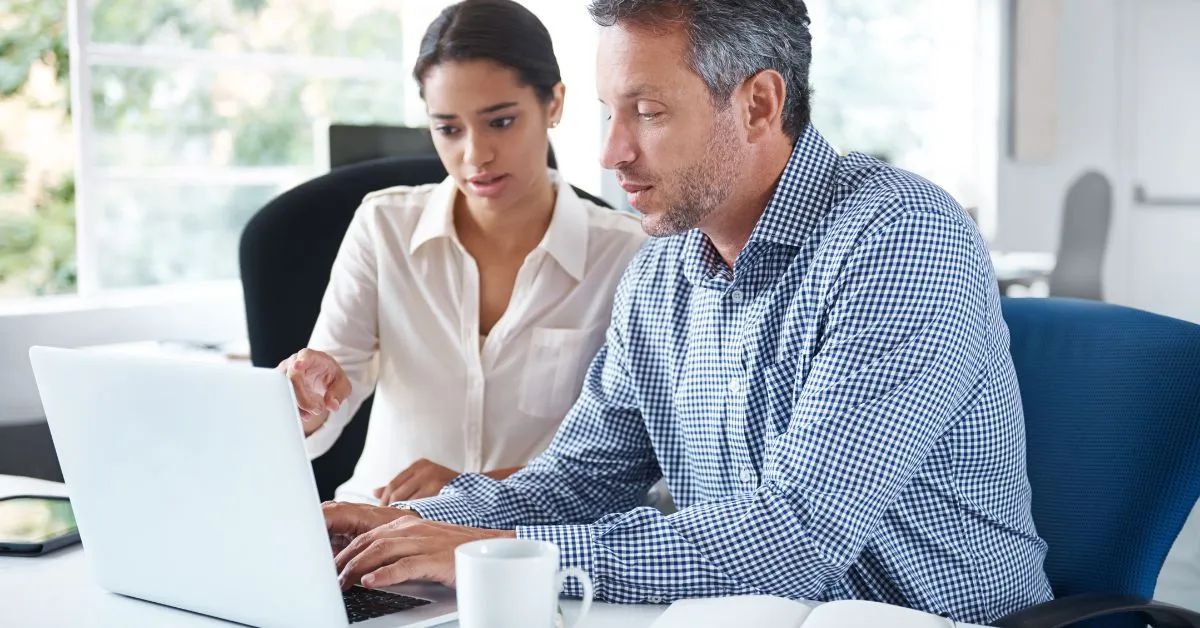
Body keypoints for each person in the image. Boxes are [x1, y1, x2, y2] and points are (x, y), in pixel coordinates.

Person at [321, 0, 1054, 623]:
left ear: (759, 104)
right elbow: (580, 477)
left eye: (647, 112)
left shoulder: (898, 237)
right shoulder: (665, 268)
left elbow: (797, 536)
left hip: (918, 618)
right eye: (610, 113)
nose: (610, 152)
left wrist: (493, 552)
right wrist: (413, 526)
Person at [281, 0, 646, 505]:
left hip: (529, 546)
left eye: (500, 122)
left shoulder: (628, 255)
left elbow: (644, 460)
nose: (475, 154)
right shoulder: (383, 227)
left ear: (554, 104)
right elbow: (325, 410)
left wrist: (474, 490)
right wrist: (304, 400)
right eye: (449, 129)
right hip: (377, 527)